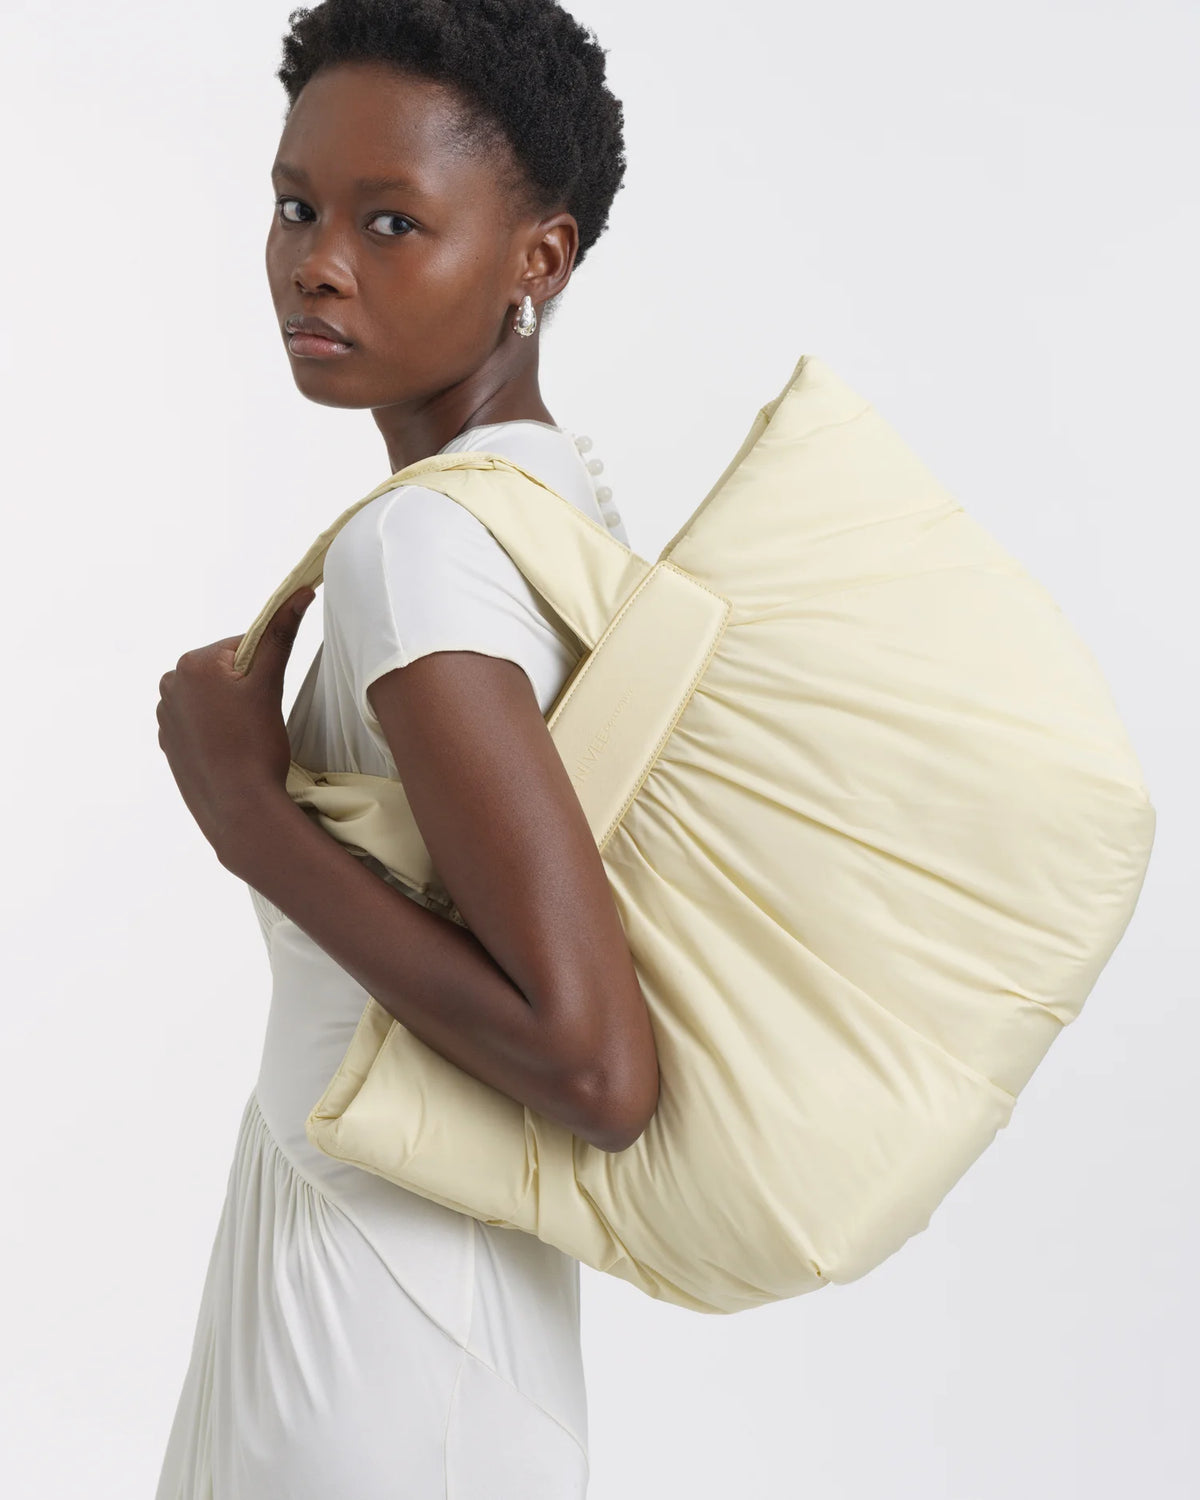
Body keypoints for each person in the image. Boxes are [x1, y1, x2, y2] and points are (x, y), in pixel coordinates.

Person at [152, 2, 659, 1494]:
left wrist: (251, 817)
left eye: (391, 221)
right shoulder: (554, 505)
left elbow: (594, 1062)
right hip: (413, 1284)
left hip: (374, 1327)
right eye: (298, 204)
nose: (317, 260)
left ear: (538, 260)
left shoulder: (421, 548)